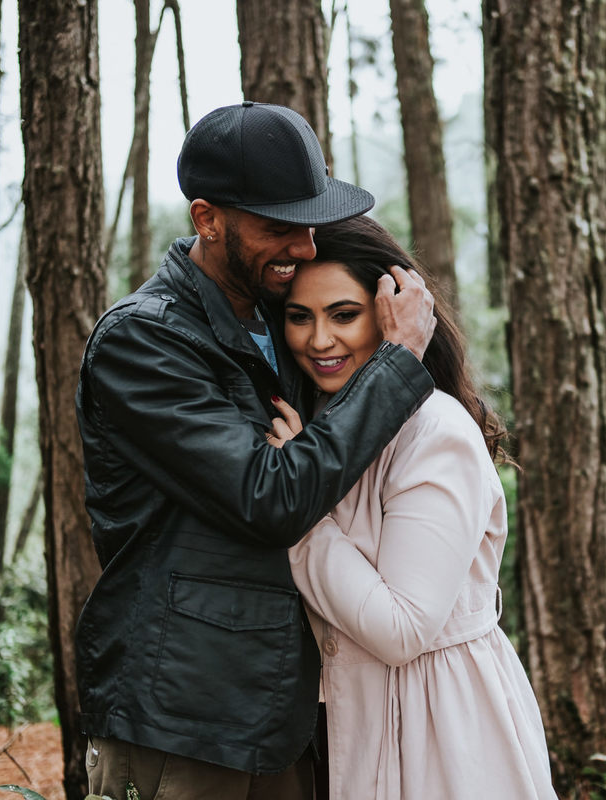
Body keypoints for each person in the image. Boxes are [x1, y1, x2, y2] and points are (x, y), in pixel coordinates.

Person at [74, 102, 436, 800]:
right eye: (278, 228)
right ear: (207, 219)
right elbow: (270, 497)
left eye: (308, 224)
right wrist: (399, 364)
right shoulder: (142, 342)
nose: (304, 248)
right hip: (181, 720)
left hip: (283, 714)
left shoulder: (284, 314)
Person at [267, 215, 558, 800]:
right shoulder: (324, 427)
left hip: (443, 727)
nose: (319, 340)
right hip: (358, 719)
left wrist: (294, 513)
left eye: (343, 314)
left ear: (392, 312)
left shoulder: (436, 431)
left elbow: (402, 629)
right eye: (300, 317)